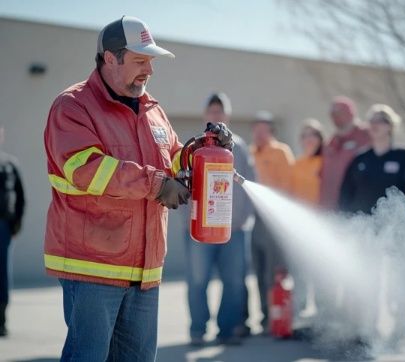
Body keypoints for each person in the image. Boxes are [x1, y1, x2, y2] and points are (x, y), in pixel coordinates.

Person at [43, 16, 232, 361]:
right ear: (110, 58)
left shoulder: (153, 111)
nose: (150, 70)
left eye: (152, 61)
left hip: (145, 270)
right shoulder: (73, 107)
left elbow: (174, 163)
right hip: (92, 267)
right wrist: (157, 184)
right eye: (140, 60)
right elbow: (86, 170)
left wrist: (205, 149)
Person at [184, 93, 255, 346]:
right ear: (206, 115)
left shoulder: (241, 147)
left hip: (234, 229)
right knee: (197, 280)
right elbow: (182, 181)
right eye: (212, 111)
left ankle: (227, 330)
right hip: (200, 230)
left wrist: (244, 218)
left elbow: (249, 184)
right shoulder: (195, 147)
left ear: (227, 116)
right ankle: (197, 330)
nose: (216, 116)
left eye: (220, 111)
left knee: (234, 281)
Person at [339, 104, 405, 347]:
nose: (375, 124)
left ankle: (399, 332)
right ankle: (365, 331)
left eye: (381, 120)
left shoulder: (403, 157)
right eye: (372, 120)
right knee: (367, 281)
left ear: (391, 126)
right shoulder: (360, 159)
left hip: (394, 231)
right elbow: (345, 195)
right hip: (364, 231)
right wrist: (347, 225)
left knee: (396, 283)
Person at [250, 111, 294, 332]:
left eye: (263, 129)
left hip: (272, 220)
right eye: (255, 129)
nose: (258, 133)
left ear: (271, 131)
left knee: (271, 272)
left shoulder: (280, 152)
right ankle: (265, 316)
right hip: (254, 220)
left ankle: (275, 318)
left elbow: (286, 189)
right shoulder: (251, 153)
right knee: (257, 271)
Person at [289, 119, 324, 317]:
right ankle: (300, 318)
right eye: (305, 135)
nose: (309, 139)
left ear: (320, 139)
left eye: (313, 135)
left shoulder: (325, 162)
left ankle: (321, 318)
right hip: (299, 228)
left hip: (320, 226)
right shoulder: (296, 164)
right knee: (300, 275)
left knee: (320, 275)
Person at [320, 96, 371, 210]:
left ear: (350, 114)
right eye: (333, 115)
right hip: (331, 208)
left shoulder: (366, 135)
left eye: (340, 114)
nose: (336, 118)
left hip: (357, 207)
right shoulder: (331, 142)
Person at [0, 123, 25, 337]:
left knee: (2, 274)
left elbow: (21, 197)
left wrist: (16, 224)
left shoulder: (9, 163)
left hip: (3, 226)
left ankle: (1, 319)